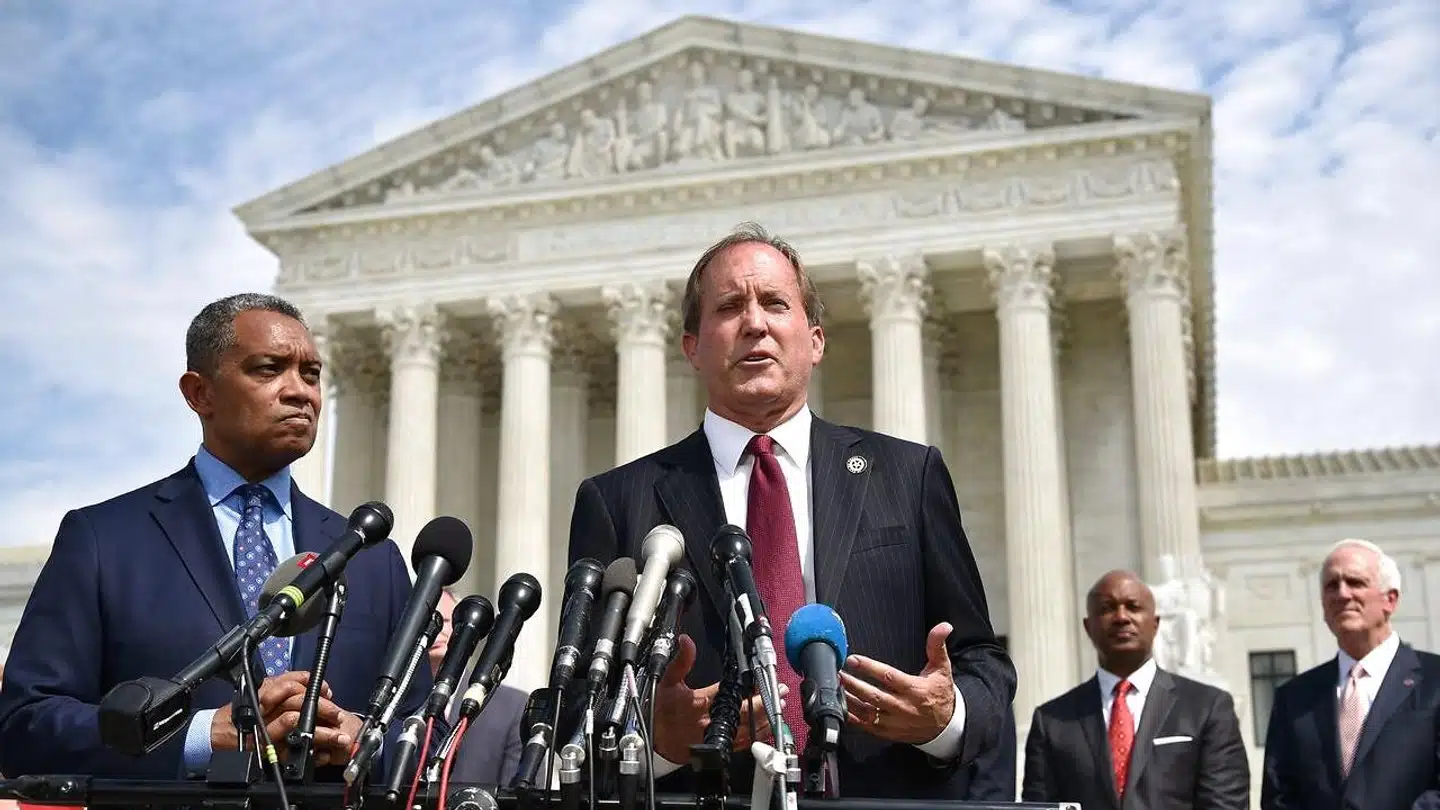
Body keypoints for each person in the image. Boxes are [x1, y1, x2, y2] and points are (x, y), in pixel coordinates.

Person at [567, 222, 1015, 798]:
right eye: (729, 307)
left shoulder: (908, 476)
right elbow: (577, 699)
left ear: (816, 341)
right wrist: (653, 741)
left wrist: (943, 718)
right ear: (692, 347)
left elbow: (982, 662)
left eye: (775, 304)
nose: (755, 323)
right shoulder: (619, 500)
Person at [0, 294, 432, 779]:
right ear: (199, 393)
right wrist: (203, 737)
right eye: (269, 369)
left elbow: (423, 735)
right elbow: (25, 726)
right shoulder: (103, 541)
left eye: (311, 374)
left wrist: (363, 741)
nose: (301, 392)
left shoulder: (371, 558)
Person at [1022, 570, 1249, 810]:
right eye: (1107, 608)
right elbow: (1040, 806)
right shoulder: (1052, 721)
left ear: (1155, 624)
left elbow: (1225, 804)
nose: (1121, 617)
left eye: (1133, 607)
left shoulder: (1207, 708)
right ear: (1088, 627)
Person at [1261, 539, 1440, 810]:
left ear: (1390, 599)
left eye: (1355, 582)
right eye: (1331, 586)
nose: (1342, 594)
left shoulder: (1434, 681)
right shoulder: (1294, 698)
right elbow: (1279, 797)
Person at [429, 588, 527, 785]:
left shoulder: (511, 706)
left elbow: (519, 791)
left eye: (446, 621)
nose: (438, 630)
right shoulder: (400, 704)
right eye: (431, 622)